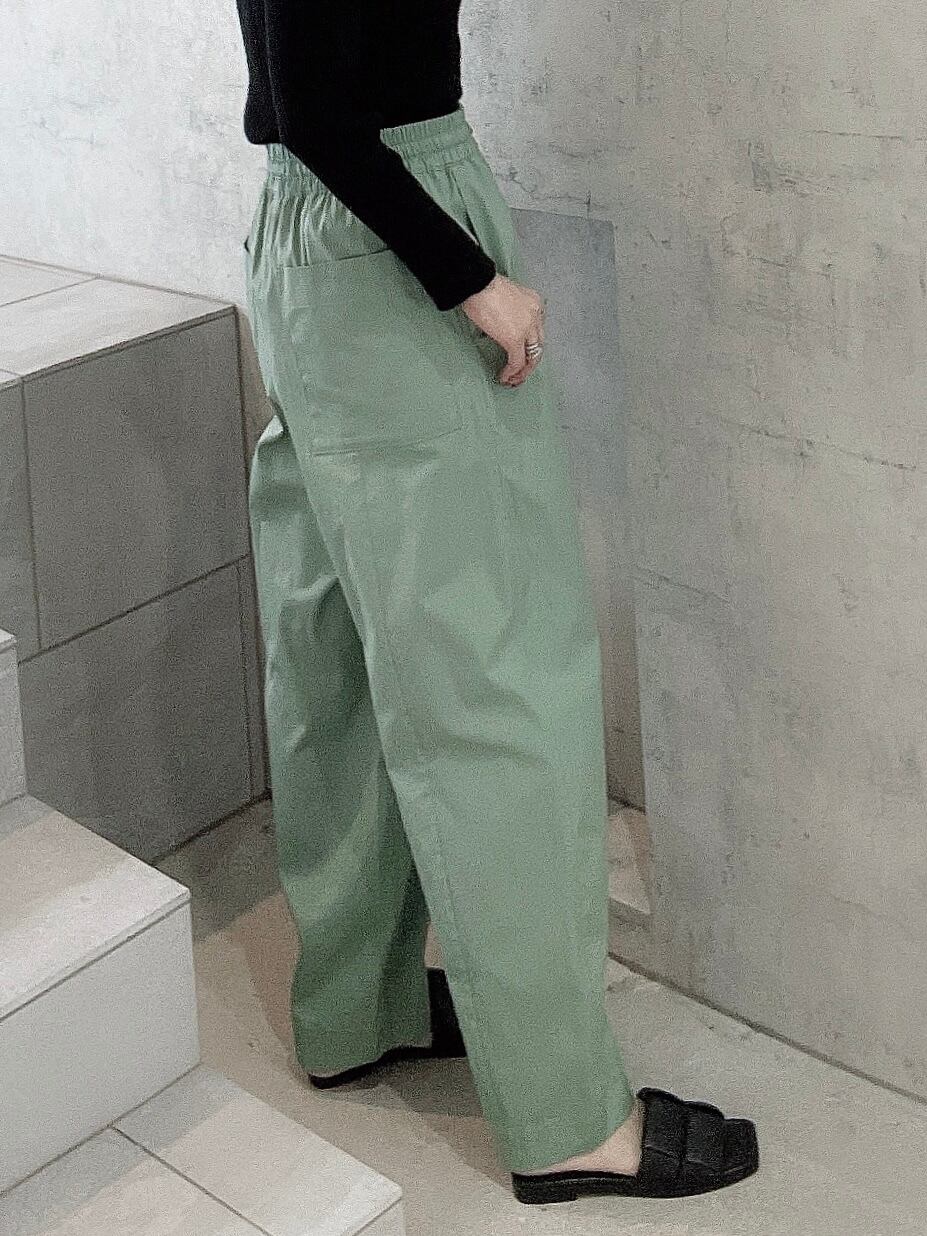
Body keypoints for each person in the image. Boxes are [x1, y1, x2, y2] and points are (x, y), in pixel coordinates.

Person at [234, 0, 759, 1205]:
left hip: (310, 234)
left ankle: (354, 1004)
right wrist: (471, 277)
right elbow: (322, 104)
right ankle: (569, 1117)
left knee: (338, 651)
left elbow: (301, 88)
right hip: (385, 230)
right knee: (497, 676)